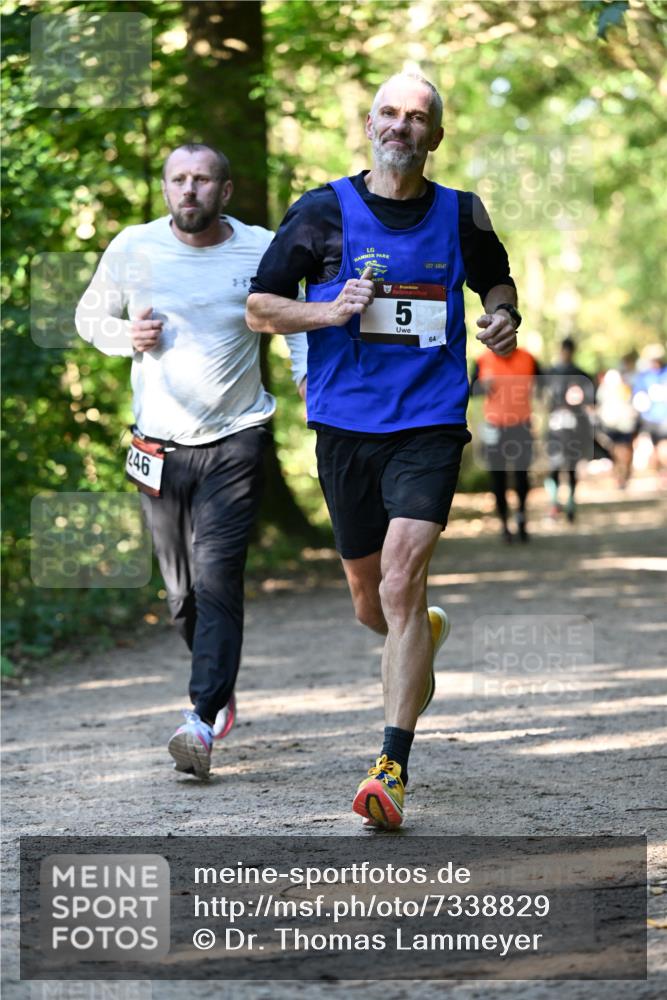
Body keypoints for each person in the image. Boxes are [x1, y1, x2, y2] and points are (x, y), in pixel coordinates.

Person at [246, 73, 519, 828]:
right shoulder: (320, 210)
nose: (401, 126)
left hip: (429, 423)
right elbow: (259, 307)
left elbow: (497, 286)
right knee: (374, 603)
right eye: (390, 113)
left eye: (418, 117)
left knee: (401, 581)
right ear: (370, 125)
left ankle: (389, 767)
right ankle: (420, 639)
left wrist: (502, 320)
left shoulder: (462, 213)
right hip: (344, 428)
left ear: (434, 136)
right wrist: (328, 309)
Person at [76, 144, 307, 780]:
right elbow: (89, 315)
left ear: (224, 191)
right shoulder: (134, 247)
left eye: (202, 180)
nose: (189, 190)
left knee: (216, 576)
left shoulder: (260, 247)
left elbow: (293, 321)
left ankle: (199, 718)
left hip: (238, 437)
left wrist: (308, 380)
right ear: (165, 188)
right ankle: (219, 683)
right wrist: (126, 335)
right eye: (178, 180)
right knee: (181, 596)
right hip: (159, 447)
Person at [470, 345, 540, 543]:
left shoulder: (528, 358)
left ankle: (521, 517)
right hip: (494, 426)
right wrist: (483, 386)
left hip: (521, 425)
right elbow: (470, 390)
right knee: (497, 477)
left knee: (522, 475)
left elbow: (543, 386)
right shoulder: (482, 360)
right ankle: (504, 524)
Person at [543, 338, 595, 522]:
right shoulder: (550, 373)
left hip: (574, 428)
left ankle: (570, 503)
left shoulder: (580, 375)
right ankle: (554, 503)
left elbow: (590, 402)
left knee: (570, 467)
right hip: (555, 427)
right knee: (555, 467)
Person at [596, 353, 639, 489]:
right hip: (611, 425)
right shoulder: (604, 390)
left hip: (624, 425)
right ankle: (619, 477)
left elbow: (632, 403)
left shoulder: (625, 387)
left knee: (624, 451)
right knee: (616, 452)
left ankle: (623, 476)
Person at [632, 344, 667, 485]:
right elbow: (638, 397)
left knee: (664, 447)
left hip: (664, 418)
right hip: (649, 419)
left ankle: (664, 473)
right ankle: (660, 473)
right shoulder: (644, 377)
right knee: (654, 449)